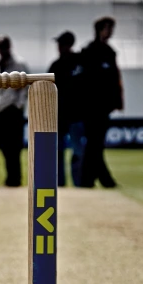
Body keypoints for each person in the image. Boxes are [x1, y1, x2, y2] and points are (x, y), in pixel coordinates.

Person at [79, 16, 123, 188]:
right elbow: (87, 81)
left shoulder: (109, 52)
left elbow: (114, 79)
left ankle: (90, 180)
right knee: (94, 144)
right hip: (91, 107)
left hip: (103, 107)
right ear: (100, 29)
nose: (111, 31)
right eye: (108, 28)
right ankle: (100, 180)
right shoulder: (90, 51)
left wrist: (115, 100)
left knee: (95, 144)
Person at [48, 31, 85, 187]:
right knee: (58, 152)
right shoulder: (55, 65)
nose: (59, 47)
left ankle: (78, 184)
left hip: (76, 116)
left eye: (61, 44)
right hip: (59, 116)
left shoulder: (80, 62)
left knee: (78, 151)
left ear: (68, 44)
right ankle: (60, 184)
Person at [0, 36, 29, 187]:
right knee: (3, 146)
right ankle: (11, 177)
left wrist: (18, 105)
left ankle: (14, 179)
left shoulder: (19, 63)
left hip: (13, 111)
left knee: (14, 147)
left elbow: (26, 85)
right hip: (0, 109)